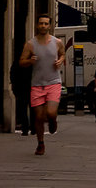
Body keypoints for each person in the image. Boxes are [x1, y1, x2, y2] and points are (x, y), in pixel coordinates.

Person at [17, 15, 67, 156]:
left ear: (50, 26)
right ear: (37, 25)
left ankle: (53, 121)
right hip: (37, 84)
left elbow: (63, 54)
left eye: (46, 24)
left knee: (50, 112)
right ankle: (40, 143)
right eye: (41, 23)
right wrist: (29, 61)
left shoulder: (57, 42)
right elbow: (21, 62)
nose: (43, 26)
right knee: (38, 117)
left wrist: (60, 60)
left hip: (53, 82)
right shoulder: (30, 44)